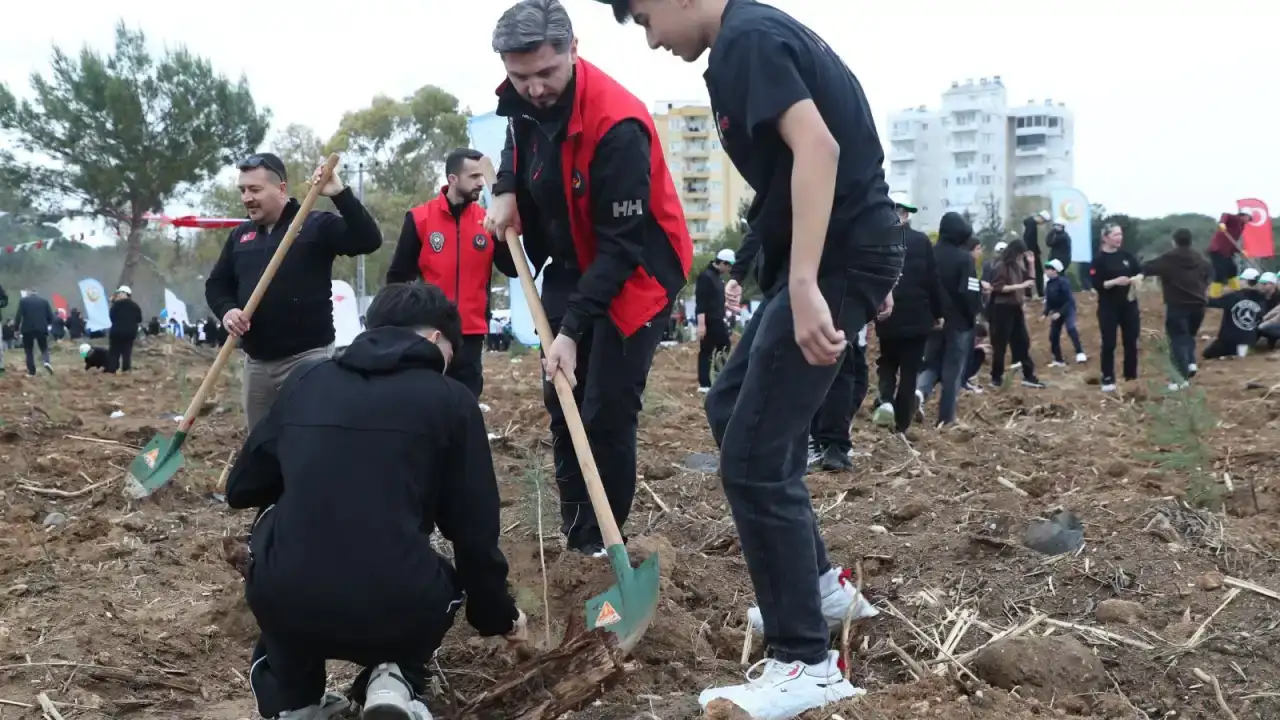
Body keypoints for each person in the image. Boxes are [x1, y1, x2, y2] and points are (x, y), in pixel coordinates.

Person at [602, 0, 901, 712]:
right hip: (833, 254)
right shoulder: (748, 39)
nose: (651, 41)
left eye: (646, 19)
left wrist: (802, 284)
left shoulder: (748, 40)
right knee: (731, 404)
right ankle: (821, 590)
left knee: (753, 461)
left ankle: (805, 662)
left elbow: (819, 149)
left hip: (834, 259)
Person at [225, 282, 527, 720]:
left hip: (289, 602)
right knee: (433, 576)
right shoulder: (452, 403)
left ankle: (296, 703)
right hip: (398, 606)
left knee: (279, 548)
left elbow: (242, 489)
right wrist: (497, 616)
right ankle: (396, 677)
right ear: (436, 340)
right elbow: (474, 535)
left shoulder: (308, 381)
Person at [483, 0, 693, 557]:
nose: (534, 89)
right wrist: (506, 187)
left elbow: (621, 248)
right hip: (571, 259)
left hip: (636, 268)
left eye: (546, 73)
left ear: (573, 50)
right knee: (562, 400)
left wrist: (573, 332)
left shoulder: (617, 124)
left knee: (605, 409)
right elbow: (515, 136)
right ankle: (579, 537)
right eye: (520, 76)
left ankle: (605, 542)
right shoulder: (520, 100)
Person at [205, 153, 383, 431]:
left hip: (307, 359)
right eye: (242, 190)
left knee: (309, 439)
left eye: (255, 189)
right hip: (257, 364)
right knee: (260, 447)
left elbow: (369, 240)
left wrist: (339, 193)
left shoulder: (315, 225)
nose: (246, 198)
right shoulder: (240, 236)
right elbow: (216, 285)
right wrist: (228, 311)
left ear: (282, 189)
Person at [386, 148, 509, 399]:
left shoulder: (488, 220)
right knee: (429, 399)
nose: (480, 183)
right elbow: (397, 278)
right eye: (473, 176)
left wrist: (504, 234)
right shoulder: (420, 219)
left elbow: (511, 269)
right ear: (452, 179)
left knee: (466, 400)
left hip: (472, 333)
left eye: (482, 176)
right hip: (431, 332)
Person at [871, 194, 942, 435]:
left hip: (888, 314)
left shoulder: (878, 240)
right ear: (907, 214)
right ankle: (901, 425)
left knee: (888, 361)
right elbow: (933, 280)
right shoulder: (921, 241)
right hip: (917, 316)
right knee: (910, 370)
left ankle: (886, 400)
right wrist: (938, 312)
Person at [1141, 228, 1211, 384]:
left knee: (1177, 339)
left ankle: (1180, 379)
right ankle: (1191, 363)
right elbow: (1208, 273)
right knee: (1188, 336)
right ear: (1190, 241)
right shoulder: (1199, 259)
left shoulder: (1169, 259)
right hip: (1199, 305)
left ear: (1174, 242)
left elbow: (1148, 267)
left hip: (1178, 304)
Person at [1088, 223, 1143, 392]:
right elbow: (1096, 284)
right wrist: (1114, 282)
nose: (1119, 238)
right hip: (1108, 306)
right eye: (1115, 235)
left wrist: (1137, 279)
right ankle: (1108, 377)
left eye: (1120, 234)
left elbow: (1140, 271)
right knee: (1109, 342)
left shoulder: (1127, 256)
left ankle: (1131, 376)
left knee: (1131, 341)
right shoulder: (1098, 260)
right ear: (1105, 238)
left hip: (1129, 304)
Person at [988, 240, 1045, 388]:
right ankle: (996, 377)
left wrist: (1032, 264)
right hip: (1002, 309)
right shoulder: (1002, 266)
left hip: (1015, 307)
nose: (1021, 258)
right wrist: (1020, 286)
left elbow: (1030, 282)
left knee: (1022, 341)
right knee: (1000, 344)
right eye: (1021, 255)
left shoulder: (1017, 267)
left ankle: (1028, 375)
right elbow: (998, 288)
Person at [695, 248, 735, 392]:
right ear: (723, 263)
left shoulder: (717, 277)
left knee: (722, 347)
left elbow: (716, 300)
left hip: (718, 319)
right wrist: (701, 325)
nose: (729, 269)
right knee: (707, 350)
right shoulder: (706, 276)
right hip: (709, 321)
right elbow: (701, 302)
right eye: (729, 266)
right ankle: (704, 384)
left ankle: (717, 377)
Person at [1202, 281, 1268, 360]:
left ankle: (1230, 355)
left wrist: (1200, 293)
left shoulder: (1233, 296)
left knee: (1207, 354)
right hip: (1250, 341)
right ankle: (1241, 353)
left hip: (1228, 340)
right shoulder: (1262, 299)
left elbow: (1211, 302)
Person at [1042, 260, 1086, 367]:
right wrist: (1045, 314)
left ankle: (1080, 353)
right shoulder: (1048, 284)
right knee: (1053, 335)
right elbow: (1049, 301)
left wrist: (1060, 313)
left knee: (1070, 328)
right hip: (1056, 310)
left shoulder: (1063, 282)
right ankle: (1058, 360)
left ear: (1055, 271)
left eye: (1048, 269)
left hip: (1067, 309)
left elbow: (1069, 300)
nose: (1046, 271)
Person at [1207, 211, 1250, 298]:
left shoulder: (1241, 227)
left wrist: (1240, 251)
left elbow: (1232, 243)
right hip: (1217, 250)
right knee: (1220, 272)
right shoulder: (1235, 219)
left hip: (1227, 252)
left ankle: (1237, 291)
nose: (1249, 220)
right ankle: (1214, 295)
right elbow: (1225, 215)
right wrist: (1222, 223)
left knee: (1232, 269)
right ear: (1243, 216)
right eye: (1248, 218)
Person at [15, 289, 54, 376]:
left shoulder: (23, 301)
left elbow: (18, 316)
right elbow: (51, 316)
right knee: (44, 347)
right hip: (41, 327)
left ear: (28, 293)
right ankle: (46, 361)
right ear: (37, 293)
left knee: (29, 350)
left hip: (27, 328)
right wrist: (47, 324)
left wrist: (16, 329)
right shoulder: (44, 301)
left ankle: (32, 372)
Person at [106, 285, 142, 373]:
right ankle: (126, 370)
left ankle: (112, 370)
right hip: (130, 333)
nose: (118, 295)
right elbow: (139, 319)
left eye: (119, 293)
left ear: (124, 294)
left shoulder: (116, 305)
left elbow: (112, 317)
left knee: (114, 351)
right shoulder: (135, 306)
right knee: (127, 352)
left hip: (117, 332)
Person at [1022, 210, 1050, 297]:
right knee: (1038, 272)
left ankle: (1028, 293)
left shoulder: (1030, 224)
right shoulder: (1032, 225)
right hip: (1031, 253)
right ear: (1041, 218)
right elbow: (1028, 239)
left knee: (1028, 272)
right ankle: (1039, 293)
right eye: (1044, 221)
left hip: (1030, 252)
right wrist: (1030, 252)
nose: (1042, 223)